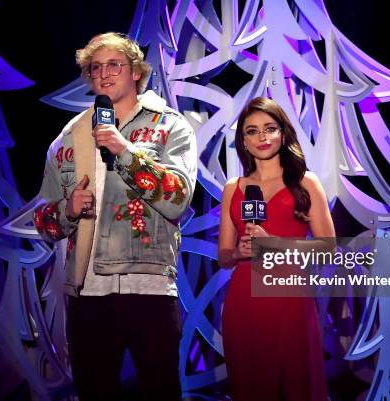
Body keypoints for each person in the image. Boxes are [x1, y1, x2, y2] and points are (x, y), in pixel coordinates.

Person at [33, 32, 197, 401]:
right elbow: (43, 222)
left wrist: (124, 151)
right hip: (87, 296)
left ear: (136, 72)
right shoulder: (67, 138)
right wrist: (68, 210)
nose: (103, 74)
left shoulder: (170, 126)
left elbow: (178, 199)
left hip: (148, 289)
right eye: (95, 67)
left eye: (114, 65)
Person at [217, 97, 334, 401]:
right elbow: (223, 257)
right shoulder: (234, 187)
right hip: (243, 300)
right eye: (252, 131)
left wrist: (276, 245)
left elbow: (328, 249)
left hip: (289, 298)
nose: (262, 137)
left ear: (283, 133)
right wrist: (240, 252)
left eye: (269, 128)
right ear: (242, 140)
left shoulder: (305, 182)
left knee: (297, 385)